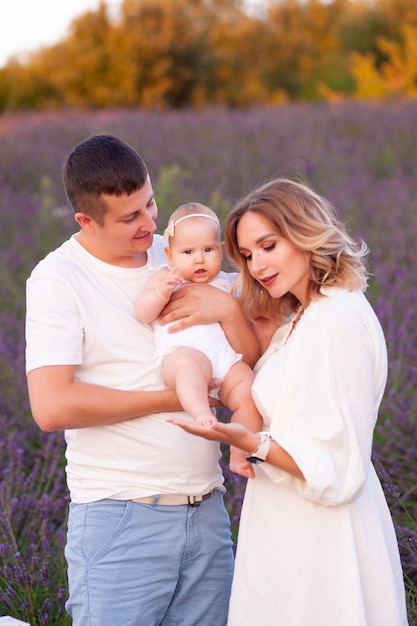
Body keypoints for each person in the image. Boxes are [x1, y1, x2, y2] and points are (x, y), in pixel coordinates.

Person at [25, 134, 259, 626]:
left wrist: (228, 309)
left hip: (207, 507)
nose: (151, 224)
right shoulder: (58, 279)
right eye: (130, 218)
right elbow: (51, 406)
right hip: (121, 516)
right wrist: (172, 398)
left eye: (150, 204)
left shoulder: (181, 250)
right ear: (86, 221)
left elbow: (250, 349)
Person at [169, 177, 409, 625]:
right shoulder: (302, 316)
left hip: (324, 539)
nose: (257, 264)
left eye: (268, 245)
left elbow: (340, 466)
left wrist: (252, 441)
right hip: (286, 528)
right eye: (247, 254)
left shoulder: (336, 319)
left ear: (303, 233)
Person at [135, 202, 262, 470]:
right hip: (184, 352)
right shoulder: (163, 278)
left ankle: (240, 454)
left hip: (226, 360)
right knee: (188, 368)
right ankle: (201, 412)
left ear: (222, 251)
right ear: (170, 256)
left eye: (208, 250)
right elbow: (143, 312)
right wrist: (160, 293)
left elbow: (252, 314)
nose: (199, 259)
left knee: (250, 393)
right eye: (188, 251)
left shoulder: (229, 283)